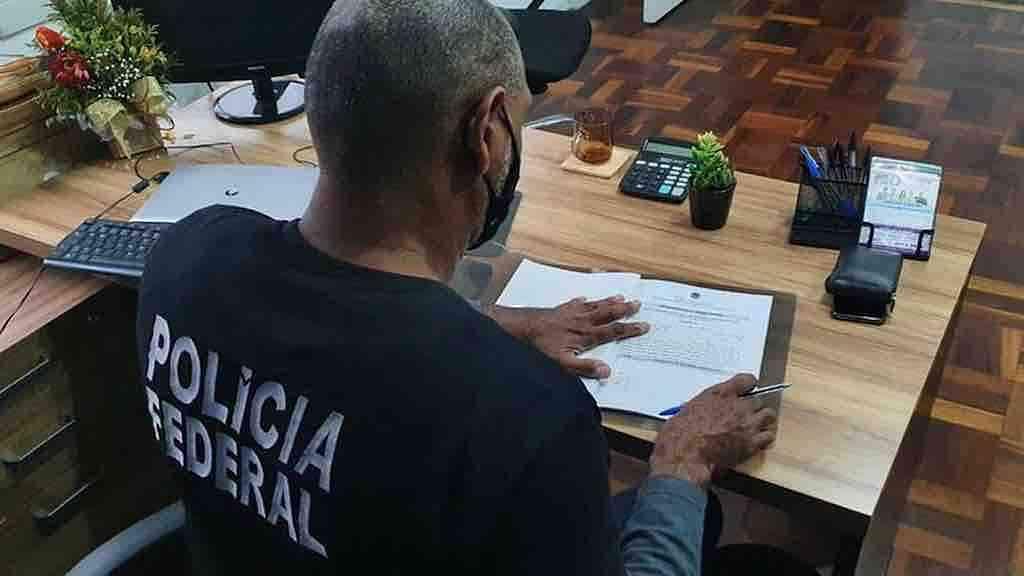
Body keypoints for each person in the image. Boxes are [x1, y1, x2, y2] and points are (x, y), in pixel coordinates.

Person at [135, 0, 777, 574]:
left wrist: (496, 327)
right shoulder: (531, 419)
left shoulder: (185, 257)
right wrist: (682, 464)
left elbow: (343, 337)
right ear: (487, 132)